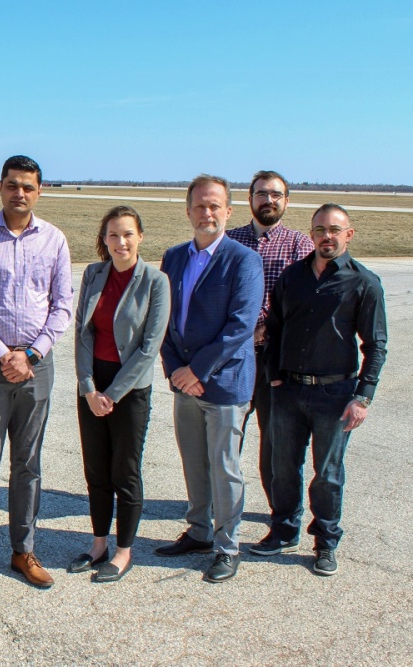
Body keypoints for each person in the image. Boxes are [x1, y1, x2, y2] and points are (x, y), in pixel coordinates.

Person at [0, 155, 73, 591]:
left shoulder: (54, 240)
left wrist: (33, 354)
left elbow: (62, 305)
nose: (18, 193)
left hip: (37, 367)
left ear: (39, 191)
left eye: (27, 186)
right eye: (11, 185)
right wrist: (4, 353)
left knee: (28, 463)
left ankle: (24, 550)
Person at [259, 204, 387, 575]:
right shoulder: (292, 277)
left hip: (336, 395)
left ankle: (325, 542)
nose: (326, 236)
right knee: (282, 467)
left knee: (327, 473)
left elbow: (376, 345)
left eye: (334, 230)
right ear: (311, 234)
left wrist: (363, 397)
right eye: (319, 230)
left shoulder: (363, 282)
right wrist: (274, 374)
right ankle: (283, 530)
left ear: (348, 235)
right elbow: (274, 329)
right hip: (288, 390)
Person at [156, 175, 264, 583]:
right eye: (200, 205)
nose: (207, 213)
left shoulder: (243, 259)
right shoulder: (174, 257)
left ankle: (228, 545)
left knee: (224, 467)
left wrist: (197, 371)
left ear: (229, 212)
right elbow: (161, 318)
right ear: (188, 210)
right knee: (194, 463)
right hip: (184, 384)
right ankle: (199, 531)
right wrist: (175, 370)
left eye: (215, 205)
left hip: (224, 385)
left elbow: (240, 326)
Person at [70, 206, 170, 582]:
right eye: (113, 235)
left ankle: (124, 551)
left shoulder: (155, 282)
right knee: (96, 469)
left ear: (140, 237)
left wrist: (110, 394)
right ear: (104, 239)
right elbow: (83, 332)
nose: (121, 242)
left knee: (124, 471)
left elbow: (148, 348)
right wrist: (88, 387)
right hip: (93, 383)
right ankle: (98, 545)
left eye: (128, 234)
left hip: (129, 389)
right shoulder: (94, 274)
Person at [226, 170, 313, 513]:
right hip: (234, 355)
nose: (269, 200)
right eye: (262, 193)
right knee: (227, 435)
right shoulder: (230, 240)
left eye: (276, 194)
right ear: (250, 199)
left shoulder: (298, 244)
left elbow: (302, 301)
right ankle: (223, 502)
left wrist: (265, 326)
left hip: (277, 357)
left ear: (286, 201)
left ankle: (281, 511)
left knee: (275, 440)